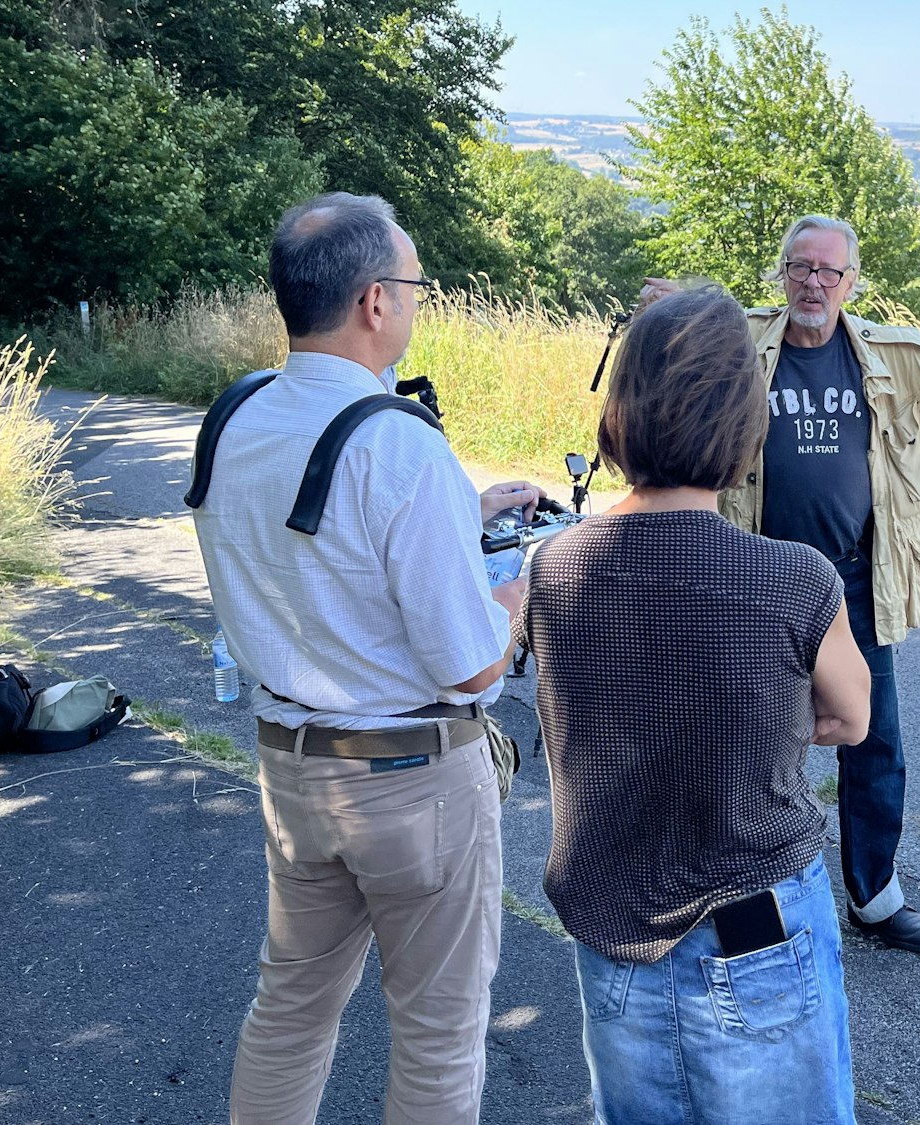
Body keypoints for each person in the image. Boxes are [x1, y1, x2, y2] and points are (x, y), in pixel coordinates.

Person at [192, 191, 541, 1124]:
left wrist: (462, 521)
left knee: (290, 1010)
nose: (421, 302)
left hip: (292, 773)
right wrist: (525, 586)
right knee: (437, 1035)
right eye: (418, 284)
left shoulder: (236, 418)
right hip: (415, 784)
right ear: (375, 301)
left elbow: (308, 548)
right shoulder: (401, 445)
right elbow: (472, 668)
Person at [515, 284, 872, 1124]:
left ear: (620, 414)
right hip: (759, 930)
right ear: (744, 425)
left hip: (610, 936)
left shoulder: (555, 569)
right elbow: (850, 718)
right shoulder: (794, 578)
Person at [640, 215, 920, 955]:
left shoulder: (898, 356)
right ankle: (736, 900)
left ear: (851, 281)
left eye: (828, 271)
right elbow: (670, 372)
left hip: (856, 580)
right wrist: (668, 320)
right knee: (743, 739)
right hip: (755, 576)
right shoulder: (739, 339)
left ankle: (875, 898)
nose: (813, 283)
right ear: (780, 273)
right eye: (800, 268)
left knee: (874, 741)